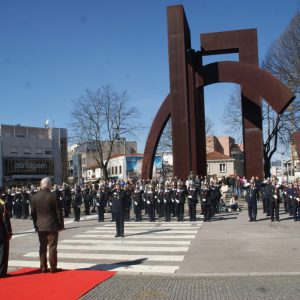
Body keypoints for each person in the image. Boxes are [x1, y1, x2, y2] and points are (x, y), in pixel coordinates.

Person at [31, 177, 64, 273]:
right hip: (52, 225)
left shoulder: (34, 197)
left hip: (40, 226)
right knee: (52, 246)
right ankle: (53, 267)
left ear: (41, 185)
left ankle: (43, 267)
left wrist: (35, 225)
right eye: (51, 184)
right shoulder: (53, 196)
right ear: (49, 185)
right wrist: (61, 225)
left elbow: (33, 213)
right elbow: (59, 212)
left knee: (42, 246)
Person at [0, 191, 12, 278]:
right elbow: (5, 219)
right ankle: (1, 272)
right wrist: (9, 232)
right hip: (1, 231)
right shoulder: (2, 203)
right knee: (3, 252)